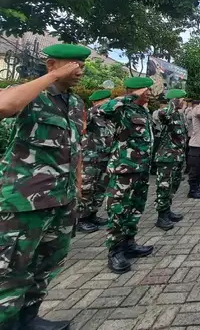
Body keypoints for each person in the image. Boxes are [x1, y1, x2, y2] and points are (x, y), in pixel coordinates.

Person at [0, 43, 89, 330]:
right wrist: (50, 78)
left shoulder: (75, 104)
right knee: (10, 271)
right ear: (51, 64)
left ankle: (29, 318)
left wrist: (77, 184)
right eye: (73, 64)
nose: (80, 70)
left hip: (61, 199)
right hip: (23, 202)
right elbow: (4, 105)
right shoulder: (32, 95)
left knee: (45, 266)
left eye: (82, 65)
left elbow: (75, 147)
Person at [102, 77, 156, 274]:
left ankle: (129, 243)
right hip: (124, 168)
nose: (149, 93)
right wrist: (129, 97)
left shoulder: (143, 111)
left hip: (142, 168)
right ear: (135, 91)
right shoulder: (122, 110)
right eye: (145, 90)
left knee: (136, 207)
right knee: (118, 209)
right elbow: (104, 109)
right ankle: (115, 251)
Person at [77, 89, 114, 233]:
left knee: (99, 188)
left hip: (104, 158)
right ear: (97, 102)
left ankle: (92, 214)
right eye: (106, 101)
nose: (109, 104)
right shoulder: (91, 114)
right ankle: (81, 219)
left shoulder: (107, 118)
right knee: (86, 188)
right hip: (89, 159)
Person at [154, 89, 188, 231]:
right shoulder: (166, 113)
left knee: (173, 185)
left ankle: (167, 210)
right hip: (166, 157)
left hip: (177, 156)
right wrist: (172, 103)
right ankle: (161, 216)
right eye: (182, 99)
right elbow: (162, 114)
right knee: (164, 186)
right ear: (175, 100)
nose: (184, 102)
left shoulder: (179, 115)